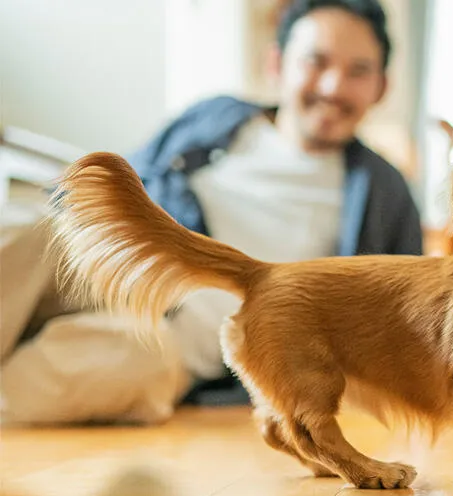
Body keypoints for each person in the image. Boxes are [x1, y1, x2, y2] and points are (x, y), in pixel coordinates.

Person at [0, 0, 422, 424]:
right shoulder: (215, 116)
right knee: (33, 227)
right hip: (111, 262)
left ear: (381, 87)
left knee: (121, 365)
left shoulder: (385, 193)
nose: (333, 86)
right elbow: (120, 182)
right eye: (316, 61)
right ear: (277, 64)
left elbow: (402, 325)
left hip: (172, 339)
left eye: (358, 71)